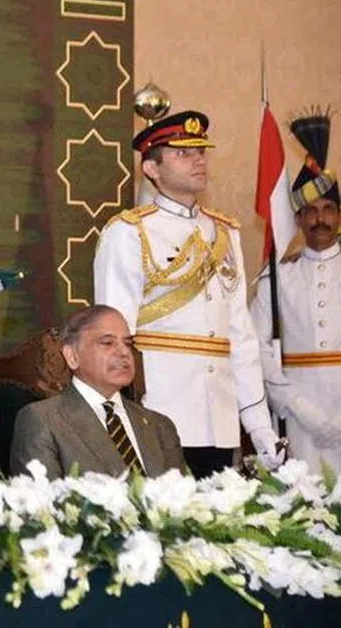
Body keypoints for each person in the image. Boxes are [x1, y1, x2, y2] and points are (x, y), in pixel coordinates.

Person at [94, 110, 280, 479]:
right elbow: (112, 334)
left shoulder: (227, 234)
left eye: (201, 151)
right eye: (183, 152)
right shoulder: (129, 232)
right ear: (152, 168)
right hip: (159, 411)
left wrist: (259, 426)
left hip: (221, 415)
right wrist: (123, 419)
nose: (198, 159)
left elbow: (240, 336)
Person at [250, 110, 341, 474]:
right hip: (297, 412)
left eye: (328, 209)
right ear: (298, 219)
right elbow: (256, 347)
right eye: (310, 211)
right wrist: (299, 407)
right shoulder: (277, 277)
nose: (320, 218)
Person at [10, 305, 186, 478]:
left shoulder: (159, 426)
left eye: (128, 343)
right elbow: (43, 505)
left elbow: (183, 502)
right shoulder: (43, 420)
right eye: (107, 343)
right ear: (72, 356)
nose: (124, 352)